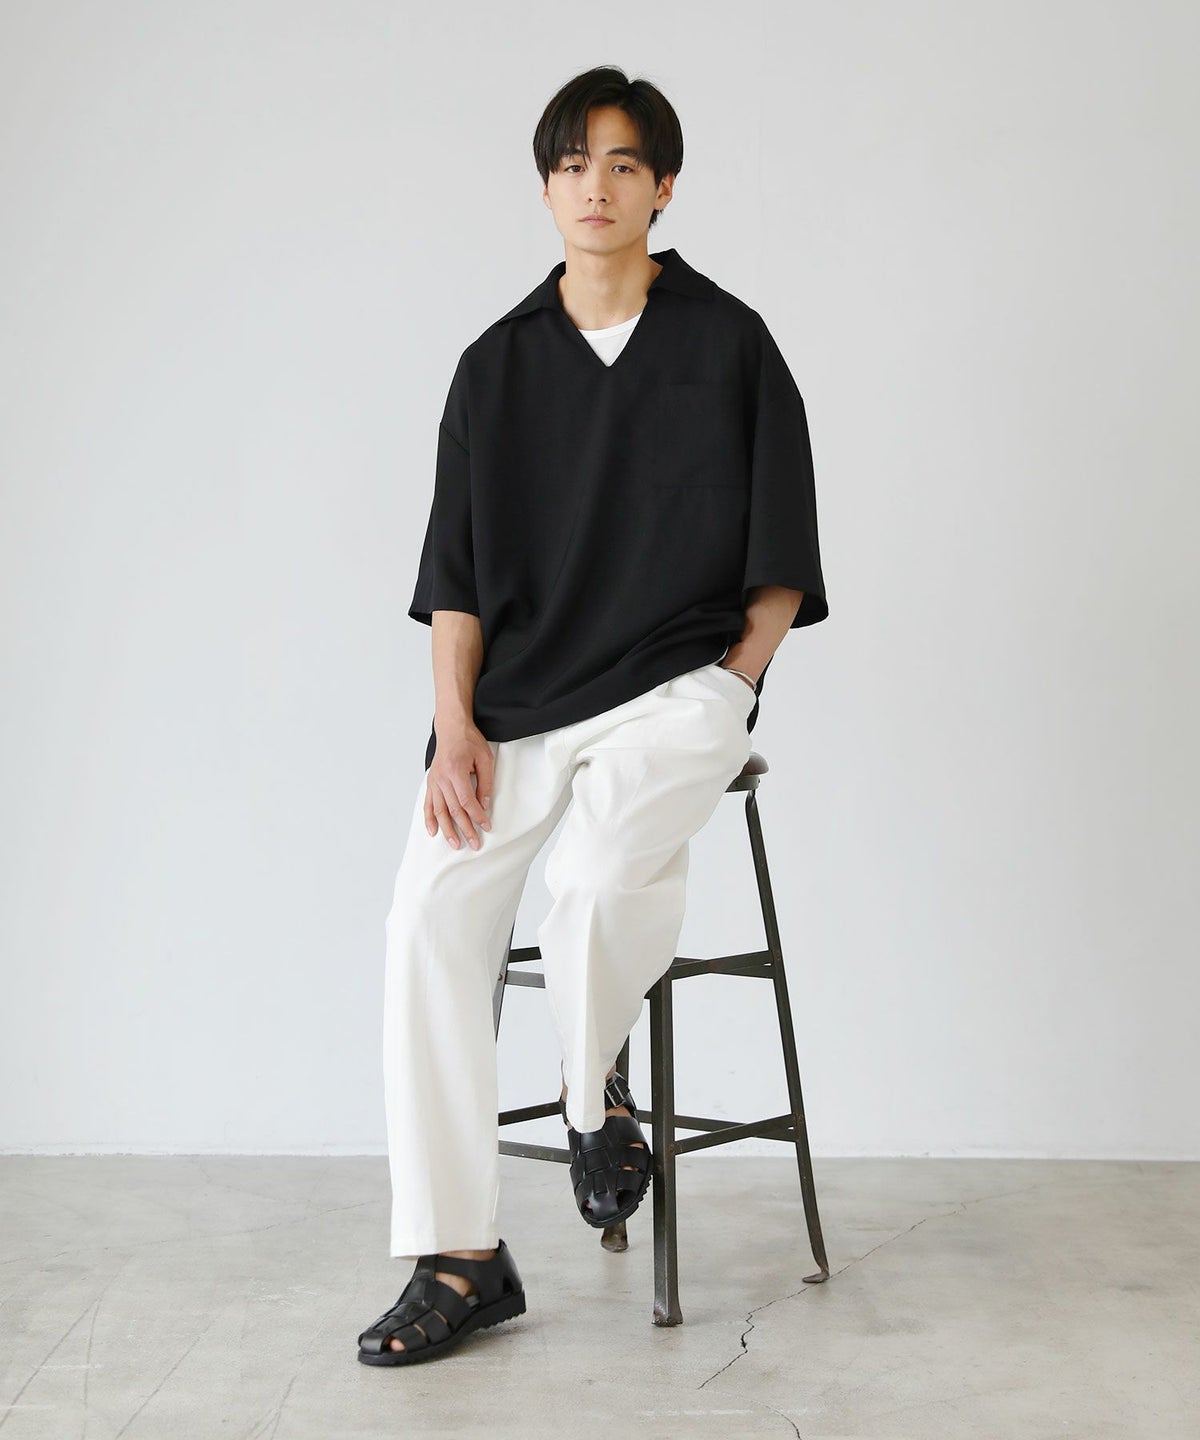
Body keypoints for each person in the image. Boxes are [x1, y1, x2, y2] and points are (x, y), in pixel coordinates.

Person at [357, 63, 827, 1366]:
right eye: (572, 165)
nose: (596, 187)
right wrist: (454, 727)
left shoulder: (729, 344)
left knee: (601, 867)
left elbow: (784, 553)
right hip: (517, 704)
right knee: (427, 916)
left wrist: (735, 680)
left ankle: (586, 1096)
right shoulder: (495, 367)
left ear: (664, 186)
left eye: (623, 164)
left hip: (678, 684)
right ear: (546, 187)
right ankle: (460, 1258)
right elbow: (456, 580)